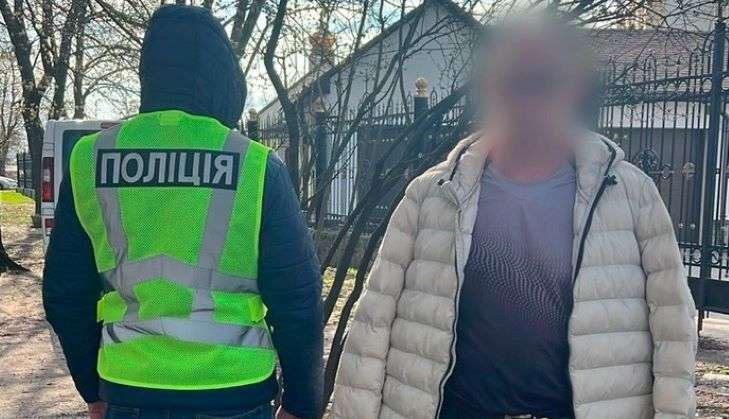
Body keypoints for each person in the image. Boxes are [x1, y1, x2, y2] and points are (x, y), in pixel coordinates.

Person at [331, 16, 696, 419]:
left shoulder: (629, 194)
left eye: (543, 82)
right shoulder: (432, 194)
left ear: (572, 89)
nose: (527, 100)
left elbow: (673, 326)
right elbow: (374, 321)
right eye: (512, 83)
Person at [43, 5, 322, 419]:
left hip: (131, 388)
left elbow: (66, 292)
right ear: (224, 78)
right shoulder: (255, 165)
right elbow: (298, 298)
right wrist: (302, 402)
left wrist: (93, 389)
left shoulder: (90, 160)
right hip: (233, 390)